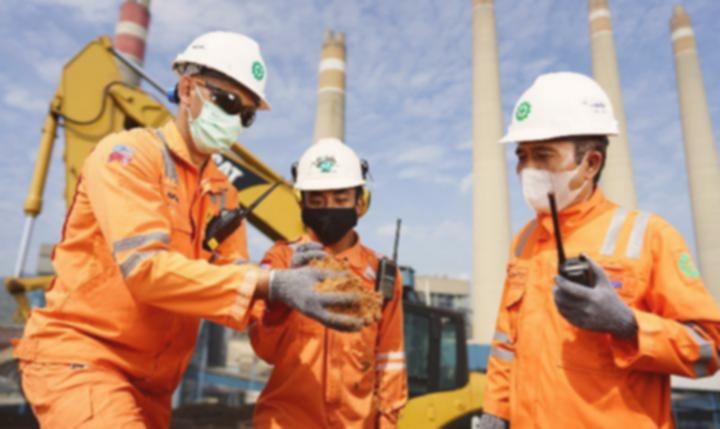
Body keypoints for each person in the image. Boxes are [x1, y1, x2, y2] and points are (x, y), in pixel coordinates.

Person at [14, 32, 363, 428]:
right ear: (186, 89)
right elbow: (145, 270)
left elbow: (234, 285)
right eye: (227, 102)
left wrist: (284, 287)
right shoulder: (127, 157)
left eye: (246, 115)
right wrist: (274, 282)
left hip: (154, 383)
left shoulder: (224, 194)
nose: (235, 120)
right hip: (83, 360)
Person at [478, 72, 720, 428]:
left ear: (590, 163)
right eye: (522, 156)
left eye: (543, 155)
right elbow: (505, 343)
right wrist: (495, 411)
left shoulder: (650, 237)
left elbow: (708, 350)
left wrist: (627, 324)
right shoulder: (525, 240)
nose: (528, 169)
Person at [249, 138, 408, 428]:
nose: (328, 208)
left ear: (361, 202)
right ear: (301, 203)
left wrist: (387, 421)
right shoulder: (281, 259)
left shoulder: (382, 274)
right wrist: (281, 297)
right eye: (317, 200)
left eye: (340, 198)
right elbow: (265, 349)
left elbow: (390, 358)